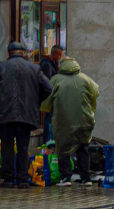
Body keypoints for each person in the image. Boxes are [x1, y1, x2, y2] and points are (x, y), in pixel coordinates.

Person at [0, 41, 52, 188]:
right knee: (23, 147)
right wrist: (35, 101)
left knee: (7, 147)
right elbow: (48, 88)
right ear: (23, 53)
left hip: (5, 114)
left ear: (8, 53)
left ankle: (8, 179)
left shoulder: (0, 67)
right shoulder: (34, 68)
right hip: (26, 114)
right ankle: (22, 179)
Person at [41, 53, 99, 185]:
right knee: (83, 147)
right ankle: (86, 178)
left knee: (63, 148)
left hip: (63, 120)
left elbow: (46, 100)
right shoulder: (85, 78)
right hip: (84, 119)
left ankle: (66, 177)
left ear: (60, 66)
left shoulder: (56, 80)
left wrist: (46, 107)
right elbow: (96, 92)